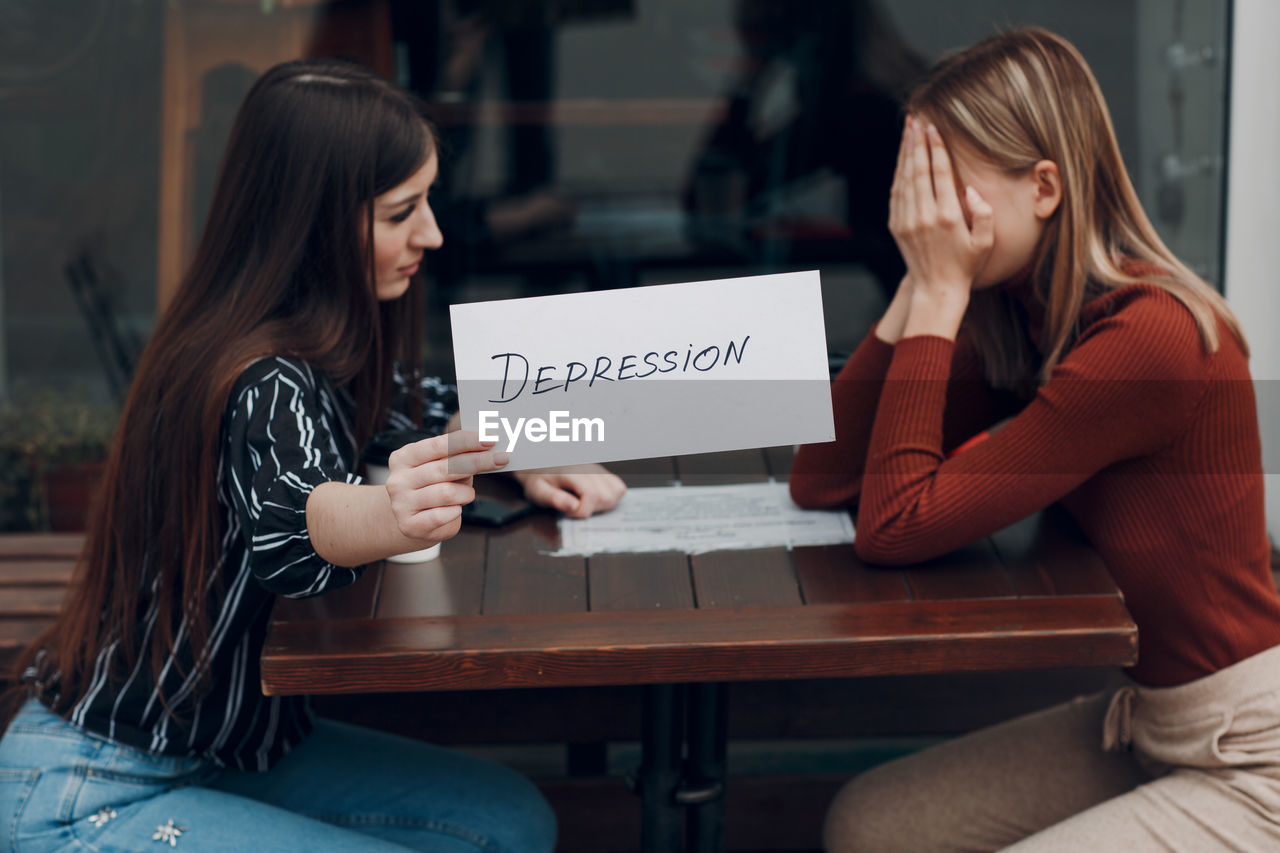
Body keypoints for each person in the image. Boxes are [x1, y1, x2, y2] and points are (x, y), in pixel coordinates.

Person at [0, 58, 625, 852]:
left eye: (428, 201)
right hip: (94, 789)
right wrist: (389, 510)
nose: (432, 233)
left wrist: (522, 449)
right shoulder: (260, 374)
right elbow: (296, 518)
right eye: (403, 211)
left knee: (511, 823)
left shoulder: (323, 342)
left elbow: (416, 408)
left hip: (228, 753)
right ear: (316, 220)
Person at [789, 27, 1280, 852]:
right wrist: (920, 284)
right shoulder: (1025, 315)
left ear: (1043, 186)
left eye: (949, 186)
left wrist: (940, 289)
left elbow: (895, 526)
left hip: (1250, 754)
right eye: (919, 186)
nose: (928, 214)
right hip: (1149, 721)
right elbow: (823, 476)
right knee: (871, 826)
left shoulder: (1149, 338)